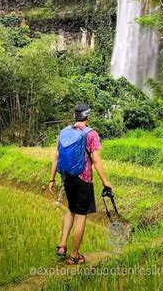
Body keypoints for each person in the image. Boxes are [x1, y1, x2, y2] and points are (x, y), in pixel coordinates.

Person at [49, 103, 113, 265]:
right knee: (81, 215)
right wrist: (106, 181)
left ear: (75, 116)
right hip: (83, 179)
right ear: (88, 116)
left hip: (67, 177)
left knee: (70, 209)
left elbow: (56, 156)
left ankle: (62, 246)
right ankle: (74, 255)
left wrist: (52, 179)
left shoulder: (64, 132)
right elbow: (96, 161)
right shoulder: (92, 134)